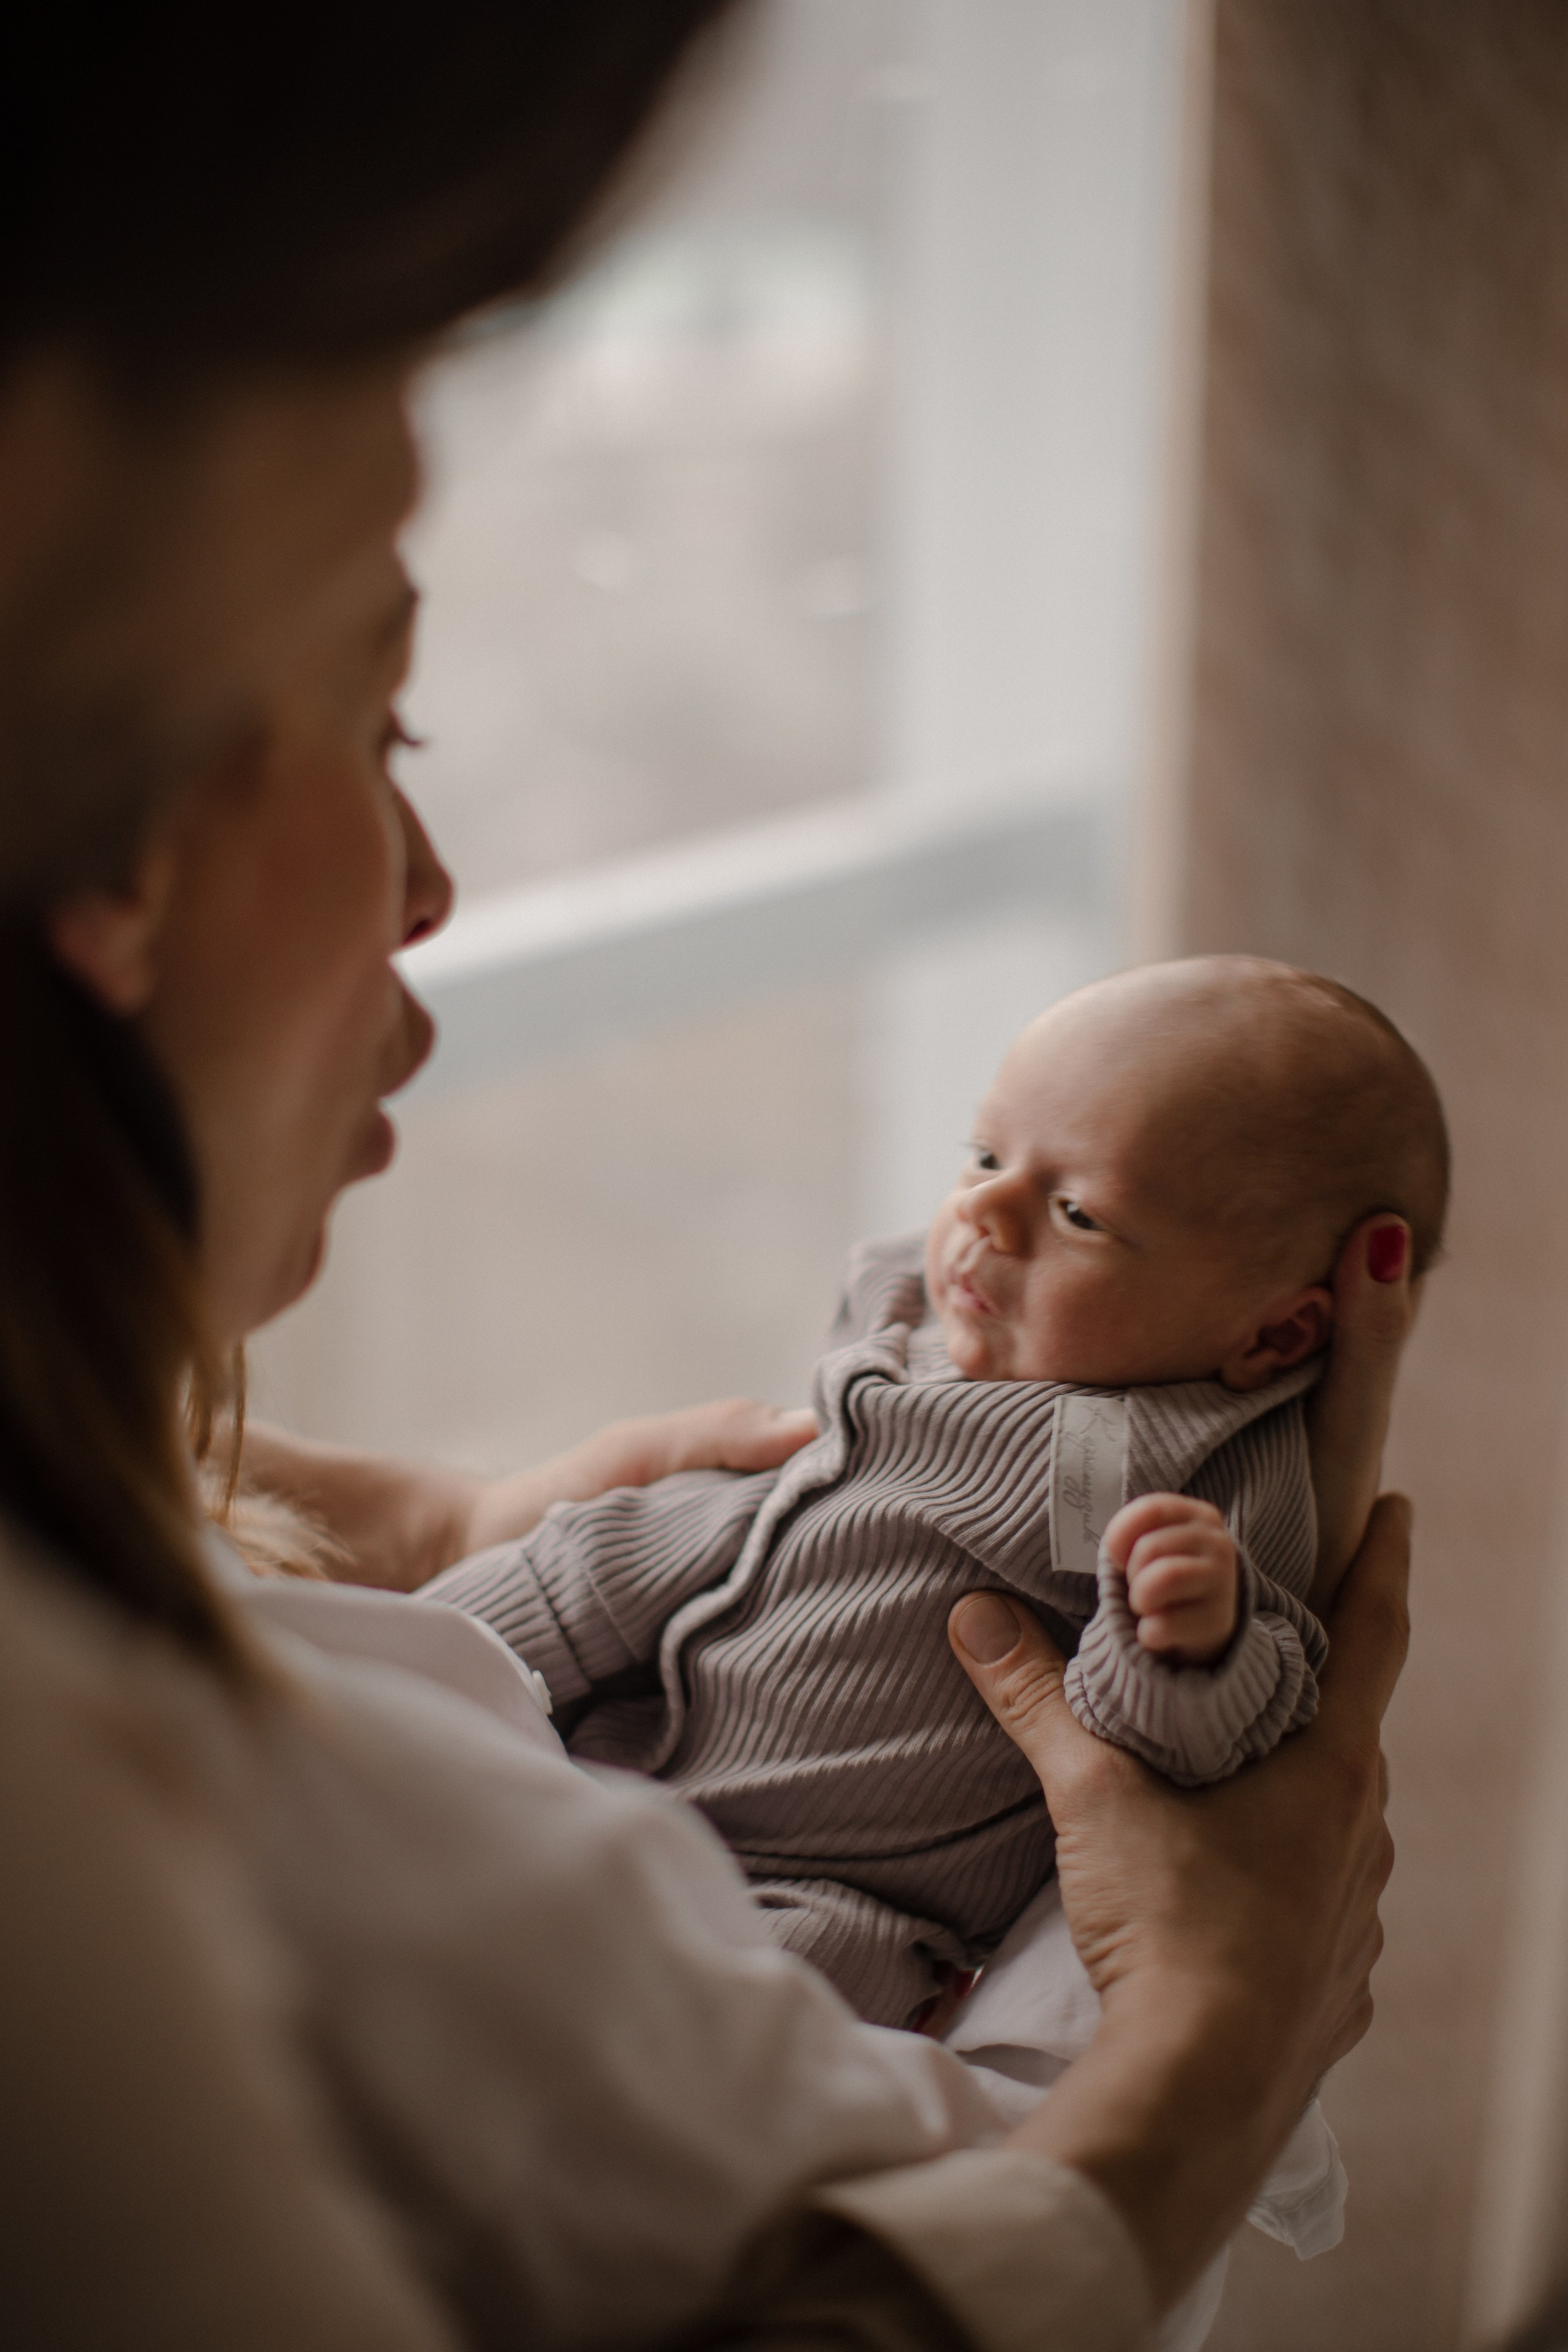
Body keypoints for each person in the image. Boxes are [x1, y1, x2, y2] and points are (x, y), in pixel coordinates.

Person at [0, 6, 1411, 2346]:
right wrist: (1213, 2033)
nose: (433, 883)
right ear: (117, 851)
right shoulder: (304, 1855)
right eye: (373, 723)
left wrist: (408, 1522)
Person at [420, 957, 1447, 2028]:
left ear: (1273, 1333)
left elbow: (1204, 1748)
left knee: (744, 2018)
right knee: (509, 1625)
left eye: (1080, 1213)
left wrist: (1188, 1646)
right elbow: (793, 1486)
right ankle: (357, 1692)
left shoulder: (1202, 1474)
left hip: (828, 1888)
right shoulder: (927, 1309)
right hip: (639, 1701)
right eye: (987, 1154)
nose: (987, 1209)